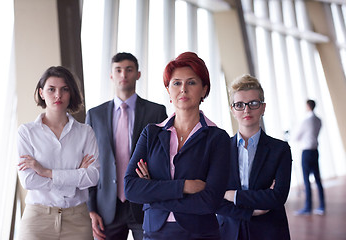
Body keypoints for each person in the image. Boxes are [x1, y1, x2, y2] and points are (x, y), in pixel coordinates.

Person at [124, 52, 231, 240]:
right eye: (176, 83)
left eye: (191, 82)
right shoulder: (151, 133)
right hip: (154, 234)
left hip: (200, 234)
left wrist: (153, 195)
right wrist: (184, 186)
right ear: (168, 90)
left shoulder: (218, 138)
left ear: (204, 90)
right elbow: (131, 188)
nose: (183, 89)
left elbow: (210, 201)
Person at [86, 52, 167, 240]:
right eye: (118, 70)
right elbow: (88, 163)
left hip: (144, 202)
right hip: (106, 207)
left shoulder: (156, 112)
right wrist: (91, 209)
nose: (124, 75)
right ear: (111, 75)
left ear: (138, 74)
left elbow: (164, 158)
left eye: (129, 70)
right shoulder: (94, 115)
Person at [17, 66, 100, 240]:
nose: (58, 95)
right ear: (41, 93)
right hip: (37, 220)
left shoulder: (85, 132)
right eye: (51, 89)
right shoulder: (26, 132)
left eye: (64, 89)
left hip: (77, 220)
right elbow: (29, 180)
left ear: (71, 93)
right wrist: (74, 179)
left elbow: (92, 177)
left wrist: (46, 172)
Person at [217, 74, 292, 240]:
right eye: (239, 105)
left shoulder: (280, 149)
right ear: (232, 109)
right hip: (228, 231)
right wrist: (252, 210)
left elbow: (278, 197)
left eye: (253, 103)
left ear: (263, 107)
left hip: (269, 231)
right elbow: (214, 198)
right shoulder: (219, 149)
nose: (246, 110)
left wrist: (232, 195)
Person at [294, 99, 325, 216]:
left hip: (306, 152)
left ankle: (308, 207)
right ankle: (322, 206)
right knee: (318, 179)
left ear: (308, 106)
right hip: (315, 151)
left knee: (307, 181)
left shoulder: (306, 120)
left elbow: (296, 137)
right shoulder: (319, 120)